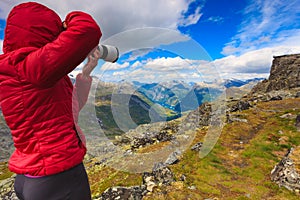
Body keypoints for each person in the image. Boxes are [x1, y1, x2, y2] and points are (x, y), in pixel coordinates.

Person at [0, 2, 101, 200]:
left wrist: (85, 74)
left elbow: (70, 109)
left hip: (32, 178)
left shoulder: (26, 74)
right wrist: (66, 22)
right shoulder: (29, 68)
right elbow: (88, 30)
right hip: (59, 178)